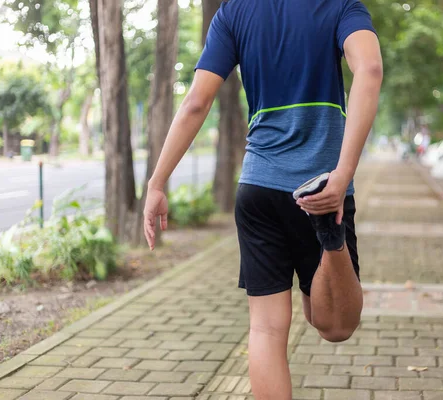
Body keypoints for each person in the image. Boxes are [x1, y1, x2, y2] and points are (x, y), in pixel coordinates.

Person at [143, 0, 383, 398]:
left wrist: (157, 182)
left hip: (258, 187)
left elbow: (196, 103)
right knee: (335, 326)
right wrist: (342, 175)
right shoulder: (341, 6)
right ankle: (330, 238)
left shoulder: (233, 13)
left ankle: (329, 237)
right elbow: (370, 70)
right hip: (323, 186)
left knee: (266, 329)